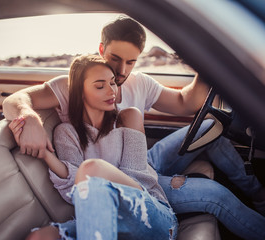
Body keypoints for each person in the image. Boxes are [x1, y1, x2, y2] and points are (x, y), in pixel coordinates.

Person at [5, 17, 265, 239]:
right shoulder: (71, 86)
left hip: (142, 166)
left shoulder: (139, 87)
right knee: (214, 195)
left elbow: (187, 103)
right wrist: (29, 119)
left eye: (130, 62)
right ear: (101, 48)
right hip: (112, 180)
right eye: (115, 59)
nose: (120, 72)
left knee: (210, 129)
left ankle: (259, 194)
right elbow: (15, 100)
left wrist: (205, 64)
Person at [25, 54, 178, 240]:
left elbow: (139, 180)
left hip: (150, 213)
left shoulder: (129, 117)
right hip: (103, 215)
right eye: (100, 86)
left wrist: (98, 176)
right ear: (80, 92)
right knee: (40, 237)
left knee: (91, 168)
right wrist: (47, 156)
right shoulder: (66, 133)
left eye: (112, 83)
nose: (111, 91)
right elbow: (73, 193)